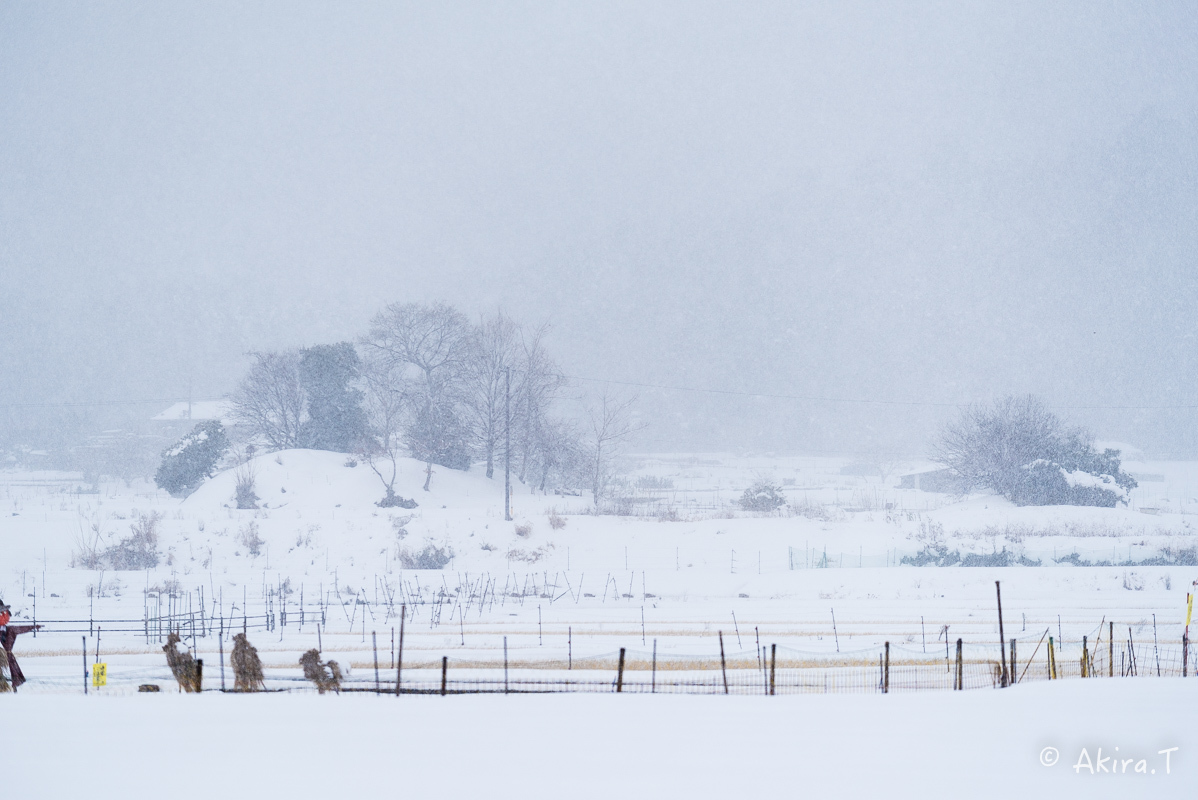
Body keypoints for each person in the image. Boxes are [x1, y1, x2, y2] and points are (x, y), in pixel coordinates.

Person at [0, 599, 41, 692]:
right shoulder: (6, 630)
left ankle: (12, 683)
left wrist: (33, 627)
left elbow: (19, 628)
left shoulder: (7, 630)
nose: (6, 616)